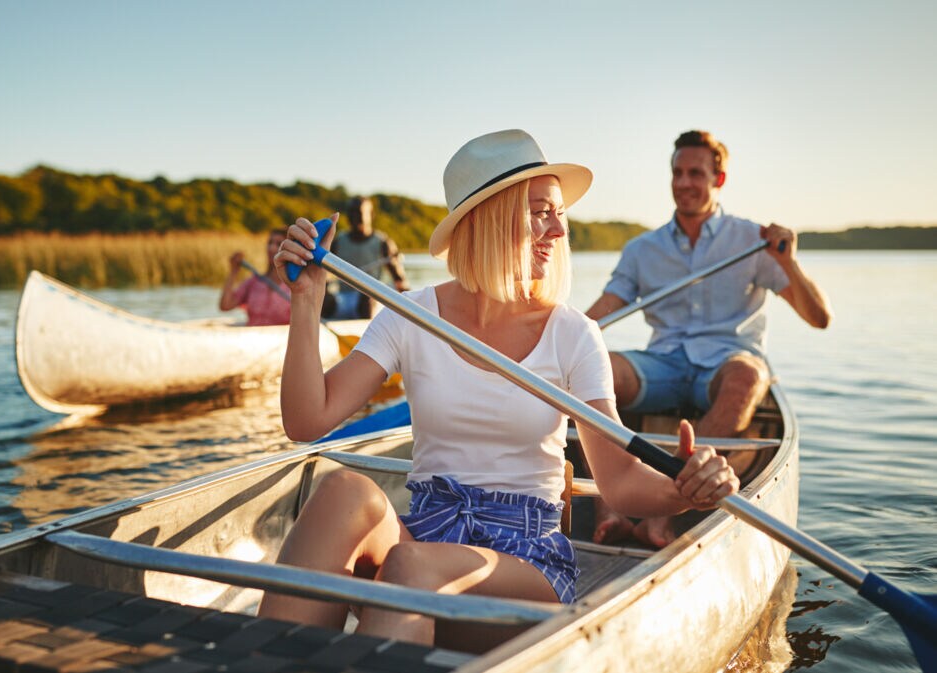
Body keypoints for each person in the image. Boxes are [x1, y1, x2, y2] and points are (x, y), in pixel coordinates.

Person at [258, 129, 739, 651]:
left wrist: (684, 488)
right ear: (490, 219)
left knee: (412, 566)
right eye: (541, 212)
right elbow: (306, 422)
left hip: (525, 565)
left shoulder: (573, 334)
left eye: (559, 213)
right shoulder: (411, 315)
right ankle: (269, 662)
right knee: (342, 492)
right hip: (425, 533)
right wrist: (305, 300)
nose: (559, 229)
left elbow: (619, 483)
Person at [584, 130, 832, 548]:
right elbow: (604, 310)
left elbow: (819, 318)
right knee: (594, 366)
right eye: (677, 173)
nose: (684, 183)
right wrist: (554, 341)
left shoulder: (754, 242)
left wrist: (788, 262)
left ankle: (658, 512)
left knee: (747, 378)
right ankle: (607, 512)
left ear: (718, 180)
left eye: (695, 173)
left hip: (728, 363)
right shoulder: (643, 249)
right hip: (663, 363)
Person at [324, 195, 410, 319]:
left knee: (367, 297)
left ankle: (368, 333)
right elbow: (324, 275)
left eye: (358, 213)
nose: (354, 217)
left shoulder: (383, 243)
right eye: (351, 212)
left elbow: (400, 280)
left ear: (371, 215)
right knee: (325, 300)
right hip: (344, 298)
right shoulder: (338, 242)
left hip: (372, 300)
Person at [218, 228, 291, 326]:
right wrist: (234, 271)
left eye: (278, 244)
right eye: (270, 243)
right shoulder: (253, 282)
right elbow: (225, 305)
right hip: (252, 338)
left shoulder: (295, 286)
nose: (271, 248)